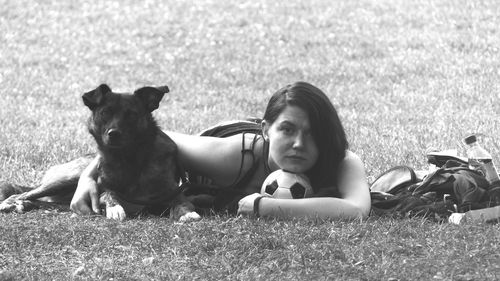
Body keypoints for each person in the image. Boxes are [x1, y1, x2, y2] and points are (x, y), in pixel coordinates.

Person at [70, 82, 371, 220]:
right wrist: (88, 176)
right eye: (287, 130)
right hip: (231, 141)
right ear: (267, 130)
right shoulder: (230, 157)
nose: (298, 144)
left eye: (313, 133)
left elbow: (357, 210)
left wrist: (267, 208)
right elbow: (147, 137)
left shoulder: (342, 160)